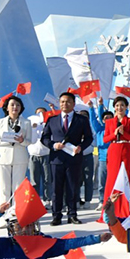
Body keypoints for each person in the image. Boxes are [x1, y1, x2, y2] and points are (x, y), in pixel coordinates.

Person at [40, 93, 94, 226]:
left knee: (73, 187)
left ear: (73, 104)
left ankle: (72, 214)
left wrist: (80, 147)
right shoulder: (52, 120)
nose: (65, 104)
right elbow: (44, 138)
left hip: (73, 159)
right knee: (56, 189)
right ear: (59, 103)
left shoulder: (81, 120)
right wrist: (53, 145)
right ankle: (56, 215)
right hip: (57, 159)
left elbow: (89, 138)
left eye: (68, 101)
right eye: (62, 101)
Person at [0, 96, 34, 206]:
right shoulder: (0, 122)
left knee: (18, 187)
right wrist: (7, 140)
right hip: (3, 157)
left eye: (18, 105)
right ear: (7, 107)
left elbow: (29, 141)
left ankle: (16, 215)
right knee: (4, 188)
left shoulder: (26, 122)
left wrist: (21, 140)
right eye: (12, 105)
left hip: (20, 157)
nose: (15, 107)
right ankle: (3, 217)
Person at [102, 97, 130, 218]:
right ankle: (109, 209)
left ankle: (124, 209)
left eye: (122, 105)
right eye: (117, 105)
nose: (119, 108)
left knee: (125, 177)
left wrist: (123, 133)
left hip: (125, 149)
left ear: (126, 107)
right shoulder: (109, 122)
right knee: (112, 178)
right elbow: (105, 139)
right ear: (114, 107)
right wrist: (114, 134)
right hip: (113, 150)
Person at [27, 111, 52, 204]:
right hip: (33, 156)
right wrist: (33, 128)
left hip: (46, 155)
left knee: (47, 179)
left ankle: (47, 200)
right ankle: (35, 201)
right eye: (38, 113)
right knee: (34, 180)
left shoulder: (48, 126)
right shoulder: (30, 125)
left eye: (42, 113)